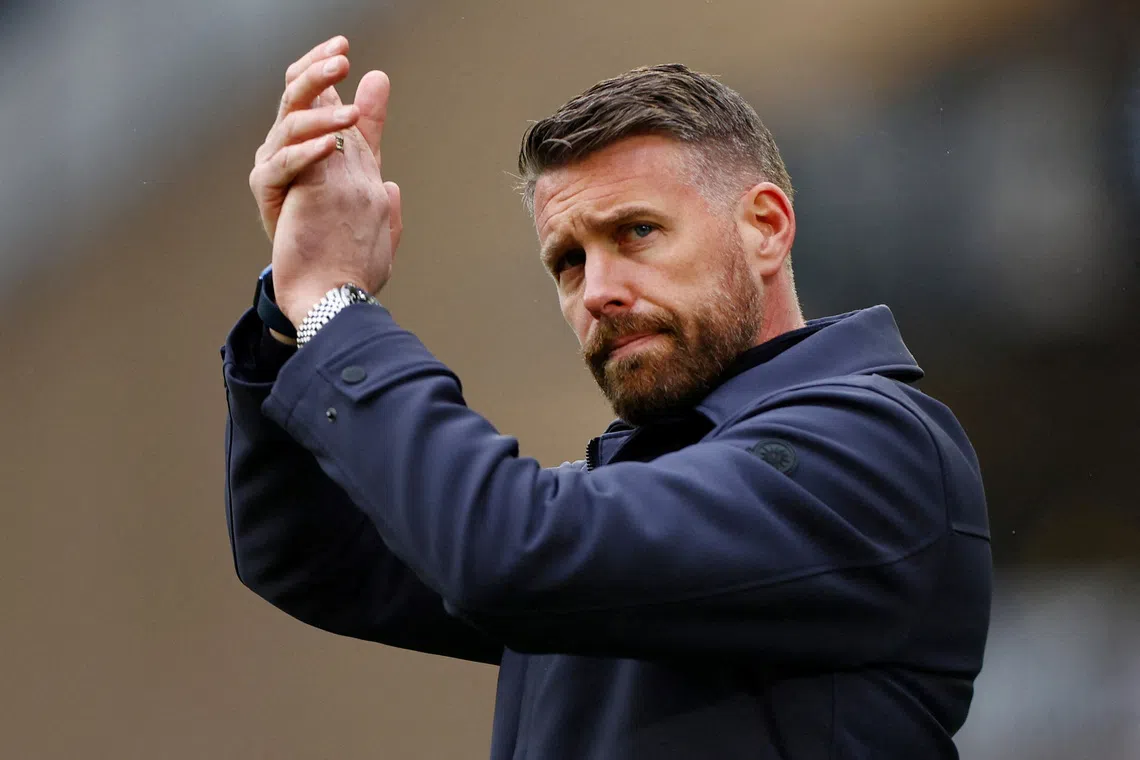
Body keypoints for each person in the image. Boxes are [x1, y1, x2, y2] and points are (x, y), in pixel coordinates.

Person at [223, 35, 992, 759]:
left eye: (637, 232)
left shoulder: (873, 448)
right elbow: (312, 554)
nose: (598, 292)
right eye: (567, 262)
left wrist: (336, 304)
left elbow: (508, 550)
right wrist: (291, 318)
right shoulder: (611, 501)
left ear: (765, 226)